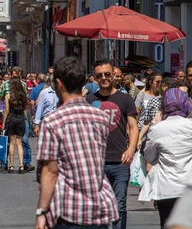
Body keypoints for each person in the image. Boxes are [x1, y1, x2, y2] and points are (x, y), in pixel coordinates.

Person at [35, 56, 118, 229]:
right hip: (99, 207)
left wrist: (42, 212)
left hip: (68, 209)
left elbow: (50, 172)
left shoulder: (53, 121)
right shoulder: (101, 118)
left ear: (59, 83)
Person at [85, 58, 138, 229]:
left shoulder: (125, 99)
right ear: (95, 77)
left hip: (120, 161)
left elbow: (133, 127)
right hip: (96, 162)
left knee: (119, 206)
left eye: (107, 74)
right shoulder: (89, 100)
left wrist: (131, 149)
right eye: (100, 75)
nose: (104, 78)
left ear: (114, 75)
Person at [140, 88, 192, 227]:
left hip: (166, 188)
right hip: (188, 187)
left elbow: (149, 156)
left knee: (166, 222)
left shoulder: (157, 129)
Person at [0, 67, 35, 173]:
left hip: (16, 116)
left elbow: (26, 101)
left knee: (22, 141)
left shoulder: (23, 85)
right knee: (11, 142)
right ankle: (5, 164)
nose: (15, 79)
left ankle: (24, 164)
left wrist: (28, 115)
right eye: (13, 76)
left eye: (16, 76)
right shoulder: (5, 84)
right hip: (17, 116)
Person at [2, 77, 30, 174]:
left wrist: (3, 122)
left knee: (12, 143)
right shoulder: (23, 96)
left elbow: (6, 110)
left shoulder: (8, 95)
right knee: (19, 143)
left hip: (12, 119)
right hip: (21, 118)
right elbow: (26, 108)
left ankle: (12, 165)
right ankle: (21, 165)